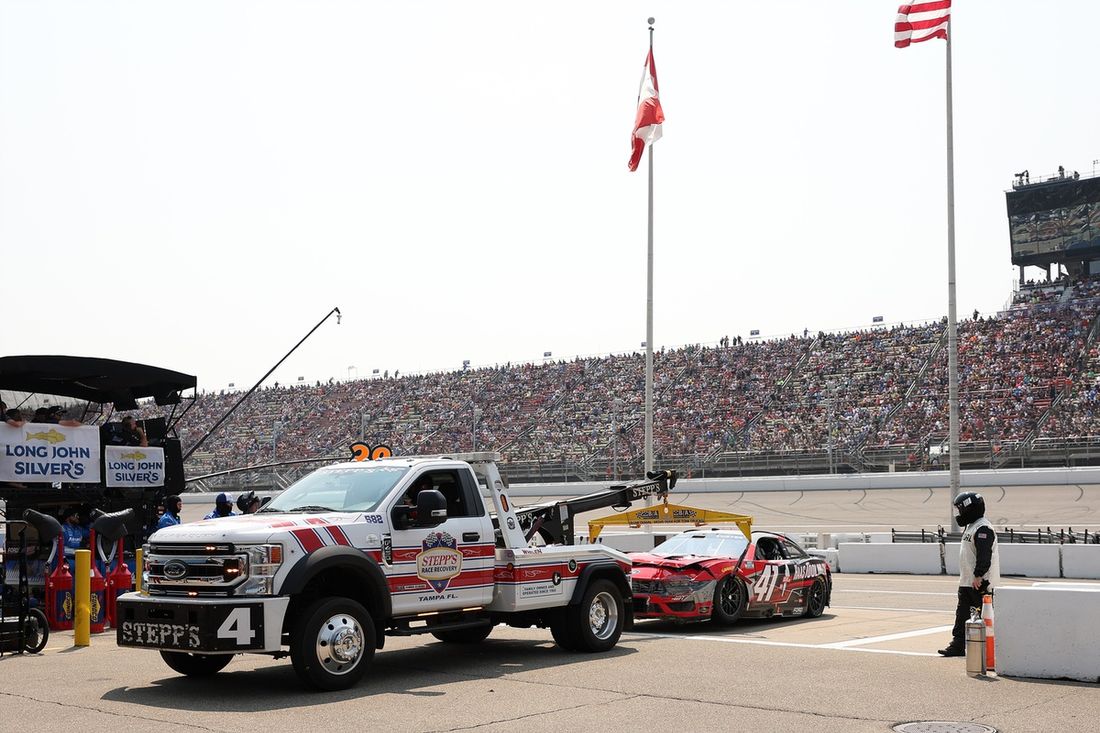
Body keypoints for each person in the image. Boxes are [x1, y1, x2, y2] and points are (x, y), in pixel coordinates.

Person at [939, 492, 1000, 657]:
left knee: (986, 617)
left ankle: (991, 648)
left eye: (961, 509)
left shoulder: (983, 528)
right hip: (967, 581)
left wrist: (979, 576)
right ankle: (957, 645)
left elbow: (984, 555)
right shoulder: (972, 526)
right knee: (962, 615)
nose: (959, 514)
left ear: (970, 509)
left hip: (981, 583)